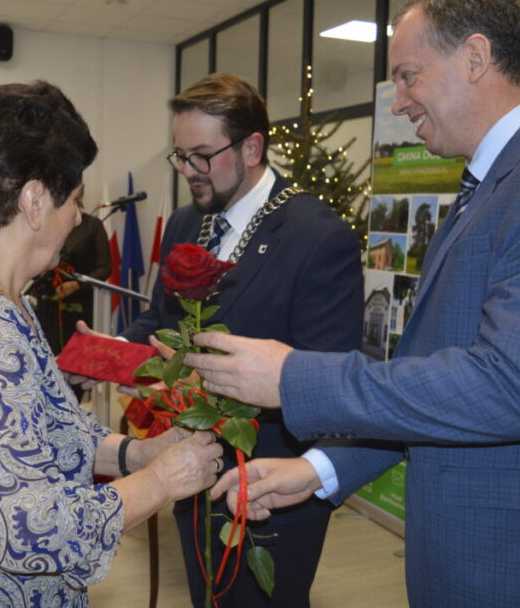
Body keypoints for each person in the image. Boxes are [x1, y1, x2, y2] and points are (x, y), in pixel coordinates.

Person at [191, 0, 520, 607]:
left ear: (476, 58)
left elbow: (509, 389)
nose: (398, 102)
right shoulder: (490, 189)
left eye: (408, 76)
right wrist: (318, 471)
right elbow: (432, 383)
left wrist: (293, 377)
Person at [0, 81, 223, 608]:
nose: (79, 219)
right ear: (35, 201)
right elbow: (29, 532)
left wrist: (135, 452)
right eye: (75, 200)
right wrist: (161, 481)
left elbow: (44, 431)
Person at [77, 72, 364, 608]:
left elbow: (329, 382)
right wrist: (107, 353)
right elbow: (164, 321)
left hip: (275, 486)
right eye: (180, 156)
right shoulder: (189, 222)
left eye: (202, 156)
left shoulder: (319, 236)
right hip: (190, 468)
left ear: (252, 146)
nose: (189, 171)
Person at [27, 186, 111, 360]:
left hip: (80, 303)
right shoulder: (46, 224)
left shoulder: (92, 225)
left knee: (77, 358)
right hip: (48, 302)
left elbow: (105, 267)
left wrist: (77, 285)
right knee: (48, 355)